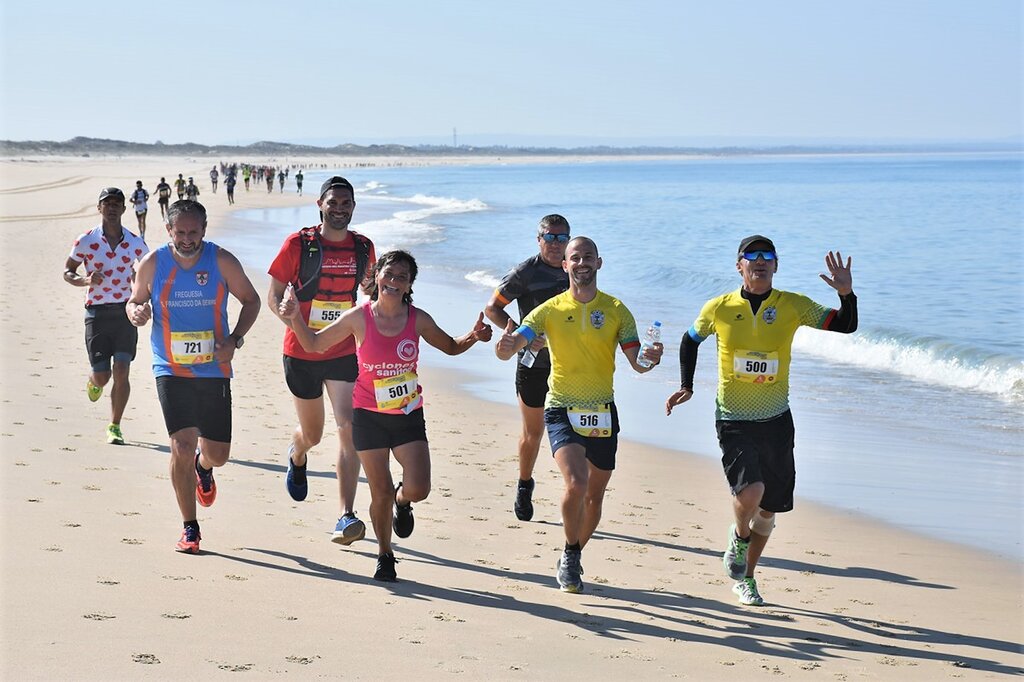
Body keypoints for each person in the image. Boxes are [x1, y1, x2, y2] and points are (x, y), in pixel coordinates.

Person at [665, 235, 857, 607]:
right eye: (751, 256)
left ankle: (747, 578)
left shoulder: (792, 306)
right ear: (739, 266)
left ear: (776, 265)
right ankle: (738, 537)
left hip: (777, 420)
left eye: (767, 255)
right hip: (734, 417)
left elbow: (844, 325)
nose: (759, 260)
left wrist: (846, 294)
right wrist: (686, 385)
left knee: (769, 510)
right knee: (750, 493)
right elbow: (690, 341)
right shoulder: (719, 307)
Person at [281, 249, 493, 581]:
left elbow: (450, 346)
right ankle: (385, 554)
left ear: (410, 284)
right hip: (368, 415)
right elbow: (313, 344)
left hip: (408, 415)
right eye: (389, 274)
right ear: (377, 276)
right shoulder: (358, 317)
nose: (394, 282)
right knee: (378, 490)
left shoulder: (416, 318)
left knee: (419, 487)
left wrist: (474, 337)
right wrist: (294, 316)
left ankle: (403, 501)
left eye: (402, 277)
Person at [495, 236, 663, 593]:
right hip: (562, 409)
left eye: (589, 256)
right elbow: (517, 342)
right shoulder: (550, 309)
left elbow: (639, 363)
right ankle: (572, 557)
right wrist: (507, 345)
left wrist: (652, 358)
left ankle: (573, 550)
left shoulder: (617, 310)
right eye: (575, 257)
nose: (582, 262)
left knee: (595, 497)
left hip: (602, 410)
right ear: (565, 266)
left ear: (599, 263)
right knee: (576, 482)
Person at [126, 199, 260, 554]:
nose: (187, 239)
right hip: (170, 367)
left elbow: (251, 300)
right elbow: (134, 301)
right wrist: (136, 313)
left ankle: (205, 467)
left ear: (204, 229)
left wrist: (235, 340)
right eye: (180, 232)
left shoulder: (221, 260)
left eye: (193, 232)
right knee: (181, 446)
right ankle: (189, 527)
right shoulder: (153, 263)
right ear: (169, 230)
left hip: (214, 367)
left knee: (217, 454)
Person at [267, 176, 375, 546]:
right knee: (312, 434)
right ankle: (297, 455)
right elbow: (274, 297)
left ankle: (345, 515)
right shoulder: (298, 244)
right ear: (320, 204)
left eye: (347, 203)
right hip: (301, 353)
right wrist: (292, 319)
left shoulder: (364, 248)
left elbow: (371, 292)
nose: (340, 209)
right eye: (334, 203)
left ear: (353, 207)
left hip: (344, 352)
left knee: (349, 428)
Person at [484, 215, 570, 521]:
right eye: (551, 237)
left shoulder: (574, 269)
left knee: (574, 433)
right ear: (539, 239)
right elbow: (492, 308)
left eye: (563, 239)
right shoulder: (526, 272)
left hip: (570, 366)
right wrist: (523, 334)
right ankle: (524, 484)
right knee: (534, 432)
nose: (556, 244)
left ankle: (574, 490)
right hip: (533, 365)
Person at [64, 187, 149, 445]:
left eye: (117, 204)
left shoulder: (135, 242)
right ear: (99, 208)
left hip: (124, 312)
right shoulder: (86, 240)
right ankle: (94, 381)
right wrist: (86, 280)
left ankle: (114, 425)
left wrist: (141, 290)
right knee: (103, 376)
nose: (112, 208)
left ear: (124, 209)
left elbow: (151, 272)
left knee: (122, 369)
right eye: (107, 203)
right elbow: (68, 271)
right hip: (97, 314)